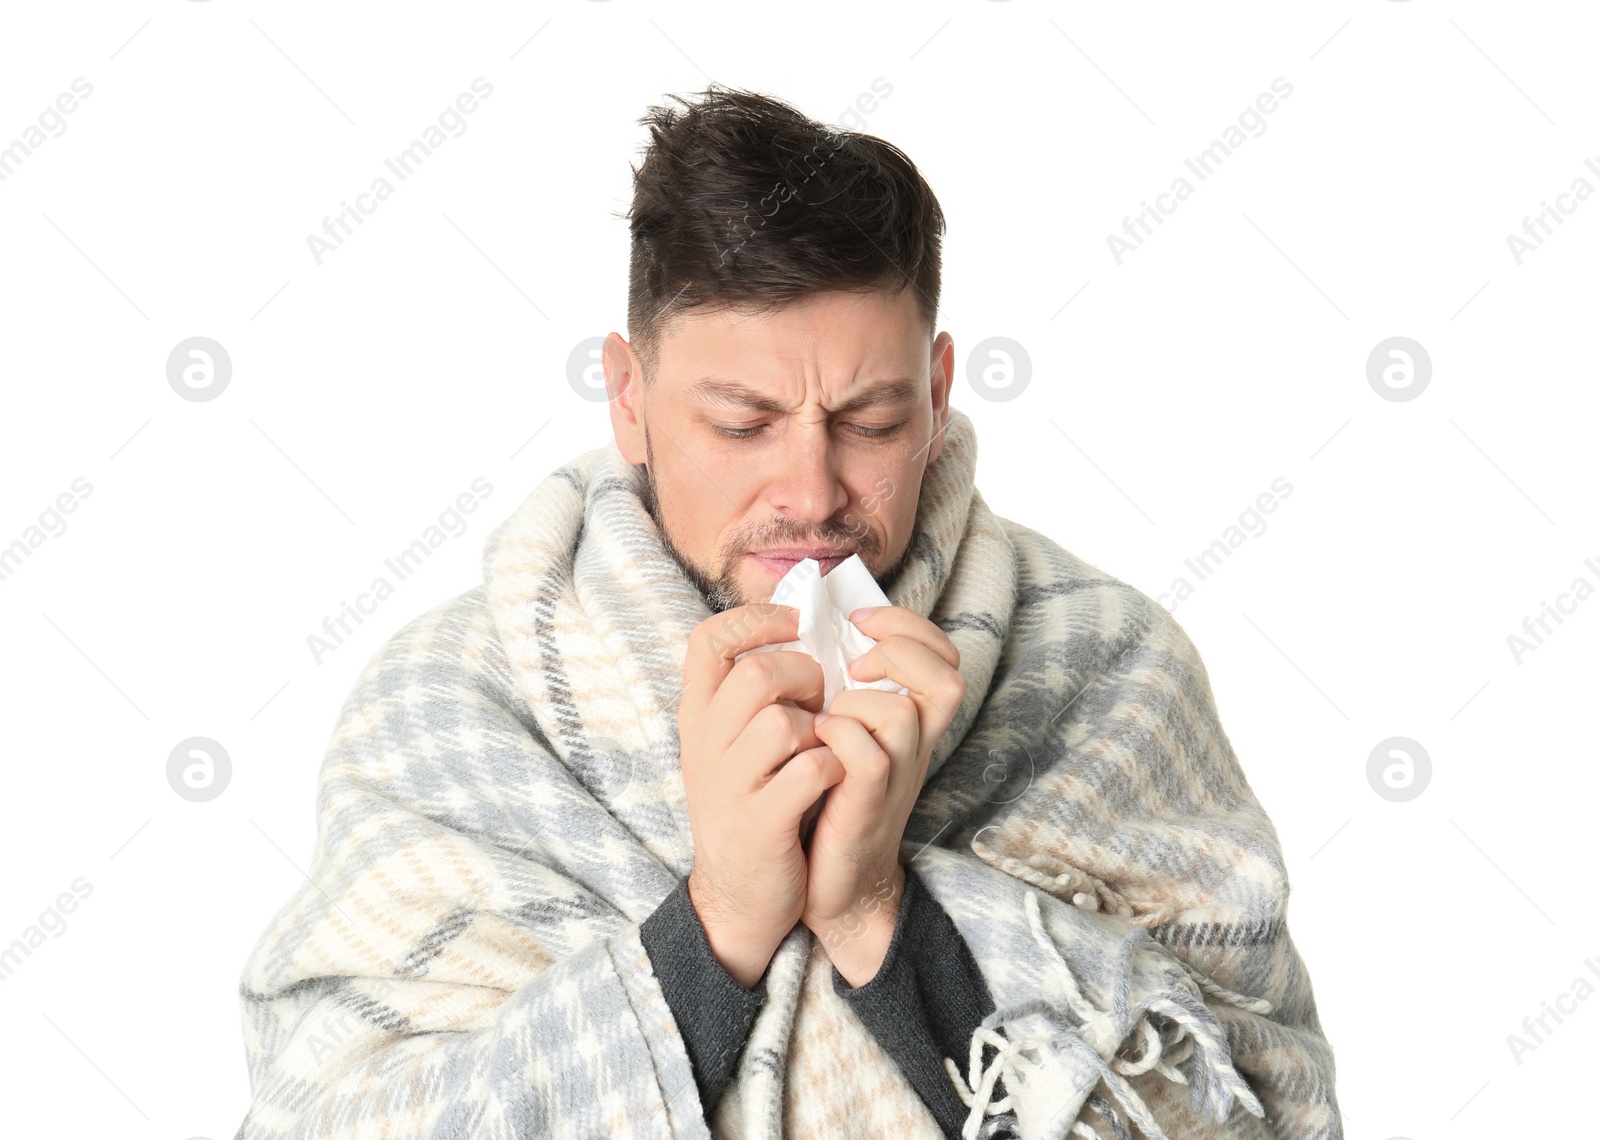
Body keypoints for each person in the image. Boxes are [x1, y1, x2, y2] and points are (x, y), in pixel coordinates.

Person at [234, 85, 1341, 1139]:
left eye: (866, 419)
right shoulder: (449, 707)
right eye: (742, 421)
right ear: (630, 398)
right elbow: (331, 1117)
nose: (811, 495)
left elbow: (1258, 1111)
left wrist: (878, 915)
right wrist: (715, 926)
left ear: (940, 390)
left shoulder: (1111, 672)